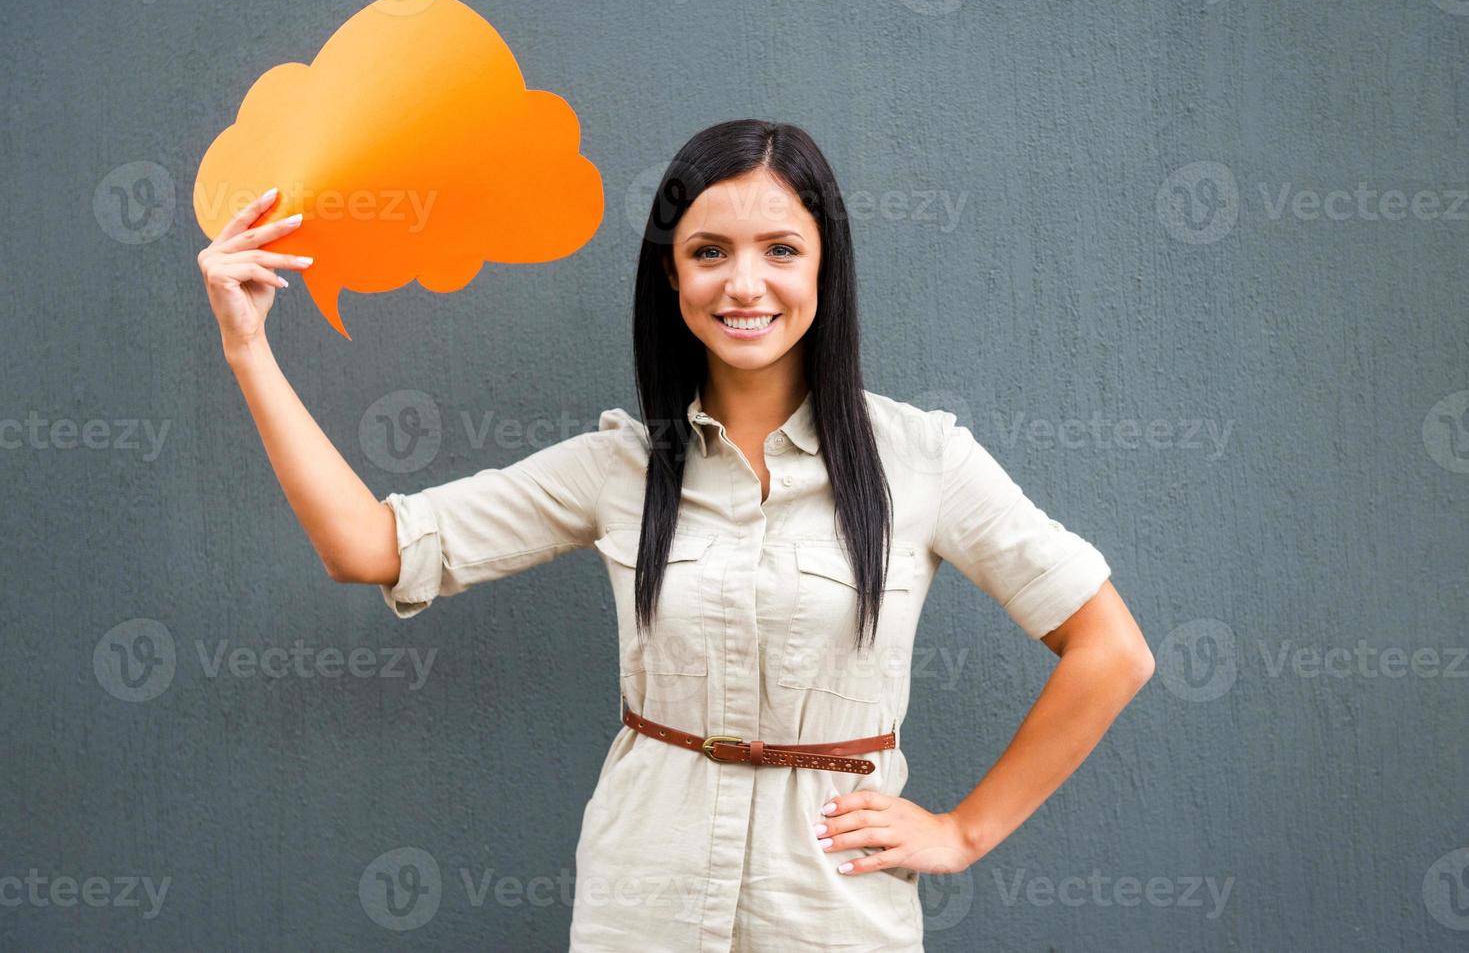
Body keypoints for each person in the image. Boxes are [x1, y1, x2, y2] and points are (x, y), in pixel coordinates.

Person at [197, 118, 1154, 951]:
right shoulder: (619, 465)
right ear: (672, 271)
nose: (745, 284)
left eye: (781, 249)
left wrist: (963, 833)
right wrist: (249, 346)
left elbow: (1109, 650)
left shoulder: (921, 459)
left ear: (825, 263)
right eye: (709, 252)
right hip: (642, 901)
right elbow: (367, 546)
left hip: (832, 911)